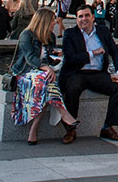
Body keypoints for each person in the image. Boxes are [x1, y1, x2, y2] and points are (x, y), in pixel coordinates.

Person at [10, 8, 80, 144]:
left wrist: (57, 56)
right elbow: (30, 58)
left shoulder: (50, 37)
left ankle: (34, 129)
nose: (54, 23)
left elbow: (48, 58)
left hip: (42, 75)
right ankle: (64, 113)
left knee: (45, 84)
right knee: (46, 80)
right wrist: (47, 67)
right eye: (52, 20)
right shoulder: (26, 35)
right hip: (25, 73)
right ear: (44, 21)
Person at [60, 4, 118, 142]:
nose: (83, 19)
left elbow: (115, 51)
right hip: (77, 73)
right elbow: (71, 58)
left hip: (97, 74)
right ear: (76, 19)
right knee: (72, 88)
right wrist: (93, 53)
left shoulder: (103, 32)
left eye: (86, 15)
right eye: (80, 16)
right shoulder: (70, 34)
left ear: (93, 17)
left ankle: (107, 127)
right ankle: (70, 129)